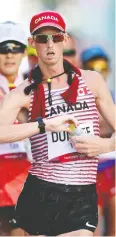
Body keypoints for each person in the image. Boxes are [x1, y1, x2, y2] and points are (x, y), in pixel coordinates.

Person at [0, 11, 115, 236]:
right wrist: (44, 125)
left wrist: (104, 146)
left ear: (66, 40)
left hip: (81, 192)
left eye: (57, 37)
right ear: (33, 43)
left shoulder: (92, 81)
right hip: (41, 190)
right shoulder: (24, 91)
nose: (50, 44)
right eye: (42, 39)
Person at [81, 45, 115, 236]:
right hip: (88, 172)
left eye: (102, 66)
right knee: (89, 229)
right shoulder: (76, 98)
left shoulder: (113, 97)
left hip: (111, 167)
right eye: (93, 66)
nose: (98, 71)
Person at [0, 21, 30, 235]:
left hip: (26, 181)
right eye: (3, 49)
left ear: (24, 53)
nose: (9, 55)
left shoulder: (37, 86)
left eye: (15, 48)